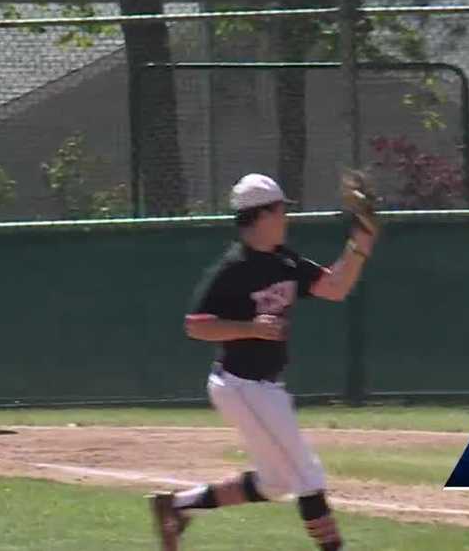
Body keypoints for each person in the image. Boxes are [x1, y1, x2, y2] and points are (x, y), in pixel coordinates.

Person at [148, 173, 378, 551]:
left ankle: (177, 506)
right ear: (261, 215)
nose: (285, 218)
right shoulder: (234, 267)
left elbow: (336, 287)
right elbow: (195, 326)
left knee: (275, 483)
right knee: (307, 474)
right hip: (241, 384)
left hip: (263, 386)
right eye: (279, 211)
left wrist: (361, 241)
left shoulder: (285, 261)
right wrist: (249, 327)